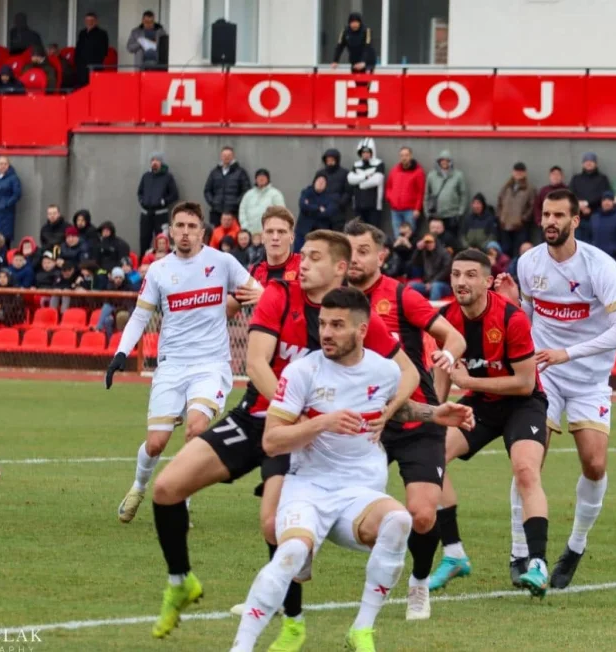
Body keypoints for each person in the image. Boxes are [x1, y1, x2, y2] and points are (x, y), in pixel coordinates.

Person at [145, 231, 437, 646]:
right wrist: (297, 414)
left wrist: (387, 412)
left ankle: (293, 623)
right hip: (261, 417)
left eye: (314, 258)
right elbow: (256, 363)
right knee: (166, 488)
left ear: (339, 268)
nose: (302, 264)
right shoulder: (280, 295)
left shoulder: (351, 315)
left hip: (302, 435)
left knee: (272, 525)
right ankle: (180, 581)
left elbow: (406, 372)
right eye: (303, 256)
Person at [228, 287, 473, 652]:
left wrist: (434, 413)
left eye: (338, 325)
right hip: (307, 488)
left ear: (362, 330)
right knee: (291, 552)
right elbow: (272, 441)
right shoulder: (301, 372)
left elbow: (395, 409)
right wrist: (321, 423)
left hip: (360, 493)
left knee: (399, 520)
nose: (326, 333)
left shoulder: (385, 370)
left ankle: (361, 630)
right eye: (323, 324)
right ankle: (242, 646)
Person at [467, 189, 616, 590]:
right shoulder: (528, 263)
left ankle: (575, 546)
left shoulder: (600, 266)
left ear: (575, 220)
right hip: (545, 377)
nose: (550, 222)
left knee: (594, 464)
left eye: (559, 215)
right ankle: (519, 552)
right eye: (546, 215)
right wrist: (510, 304)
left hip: (589, 380)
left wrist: (567, 353)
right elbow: (525, 319)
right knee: (528, 461)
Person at [105, 202, 263, 525]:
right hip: (172, 365)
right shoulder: (159, 270)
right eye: (180, 226)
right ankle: (139, 486)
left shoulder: (222, 262)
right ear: (171, 231)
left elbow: (258, 292)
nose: (186, 232)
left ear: (202, 231)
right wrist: (121, 353)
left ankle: (181, 502)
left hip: (211, 365)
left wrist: (248, 298)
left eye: (192, 226)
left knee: (196, 428)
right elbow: (140, 316)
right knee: (156, 443)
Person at [343, 221, 466, 620]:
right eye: (349, 251)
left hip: (417, 420)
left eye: (363, 251)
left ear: (381, 256)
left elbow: (453, 336)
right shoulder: (336, 303)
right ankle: (283, 587)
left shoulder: (401, 296)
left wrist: (448, 355)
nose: (354, 259)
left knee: (424, 515)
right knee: (324, 505)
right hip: (364, 425)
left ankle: (418, 583)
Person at [428, 248, 554, 599]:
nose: (461, 282)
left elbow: (525, 383)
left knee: (526, 471)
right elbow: (443, 372)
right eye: (456, 274)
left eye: (470, 275)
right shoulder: (446, 319)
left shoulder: (511, 318)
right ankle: (454, 553)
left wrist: (469, 383)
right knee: (430, 456)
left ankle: (537, 564)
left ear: (487, 281)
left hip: (523, 404)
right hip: (482, 404)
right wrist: (434, 414)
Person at [137, 152, 179, 255]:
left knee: (162, 241)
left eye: (157, 160)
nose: (154, 162)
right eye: (152, 160)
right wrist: (142, 201)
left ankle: (162, 261)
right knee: (144, 240)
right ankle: (143, 261)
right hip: (146, 215)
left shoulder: (167, 177)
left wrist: (163, 201)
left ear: (161, 162)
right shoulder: (146, 176)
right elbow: (140, 192)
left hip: (160, 215)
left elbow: (174, 195)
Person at [590, 191, 616, 289]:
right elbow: (590, 235)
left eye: (609, 200)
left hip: (615, 257)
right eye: (604, 200)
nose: (607, 202)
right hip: (597, 258)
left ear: (613, 202)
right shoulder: (594, 218)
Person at [249, 207, 301, 285]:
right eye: (270, 232)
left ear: (292, 238)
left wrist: (263, 293)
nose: (275, 237)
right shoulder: (254, 271)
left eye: (281, 232)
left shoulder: (303, 267)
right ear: (262, 237)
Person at [204, 147, 251, 227]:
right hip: (216, 213)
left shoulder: (240, 172)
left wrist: (235, 204)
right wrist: (213, 202)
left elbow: (246, 191)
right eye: (224, 155)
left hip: (234, 212)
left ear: (233, 156)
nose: (226, 157)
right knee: (216, 234)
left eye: (229, 155)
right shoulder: (215, 172)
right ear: (221, 156)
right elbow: (207, 190)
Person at [385, 146, 426, 236]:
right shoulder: (394, 170)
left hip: (410, 211)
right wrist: (390, 199)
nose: (404, 158)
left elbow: (421, 192)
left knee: (409, 235)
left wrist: (417, 209)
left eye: (406, 155)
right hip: (395, 210)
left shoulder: (418, 172)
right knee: (397, 235)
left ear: (411, 156)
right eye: (402, 155)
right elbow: (389, 187)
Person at [497, 162, 535, 255]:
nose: (518, 173)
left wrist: (523, 219)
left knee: (520, 253)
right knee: (506, 252)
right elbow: (499, 203)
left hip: (520, 227)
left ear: (525, 173)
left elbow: (532, 206)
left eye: (521, 171)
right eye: (516, 171)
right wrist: (500, 217)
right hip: (505, 225)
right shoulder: (506, 187)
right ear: (513, 172)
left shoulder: (530, 189)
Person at [425, 151, 468, 234]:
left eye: (447, 160)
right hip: (436, 216)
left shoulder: (458, 175)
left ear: (450, 162)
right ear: (438, 161)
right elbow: (427, 195)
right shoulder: (431, 176)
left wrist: (460, 213)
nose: (444, 162)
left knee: (450, 238)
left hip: (452, 215)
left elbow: (463, 195)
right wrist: (427, 213)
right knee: (436, 238)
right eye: (442, 160)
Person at [297, 173, 340, 252]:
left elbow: (328, 213)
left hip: (320, 233)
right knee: (299, 254)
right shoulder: (306, 192)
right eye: (319, 181)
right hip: (303, 231)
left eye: (323, 182)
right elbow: (303, 206)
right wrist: (318, 208)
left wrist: (310, 207)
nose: (320, 183)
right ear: (314, 182)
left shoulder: (330, 197)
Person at [347, 138, 385, 227]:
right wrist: (365, 177)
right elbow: (350, 179)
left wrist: (359, 182)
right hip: (358, 205)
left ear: (372, 152)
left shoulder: (379, 164)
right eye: (363, 152)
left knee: (373, 230)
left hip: (374, 206)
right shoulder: (356, 164)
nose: (365, 154)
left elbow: (377, 180)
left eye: (368, 152)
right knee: (358, 230)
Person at [238, 168, 284, 236]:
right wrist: (245, 227)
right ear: (256, 179)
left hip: (268, 233)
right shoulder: (248, 194)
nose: (261, 179)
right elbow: (242, 211)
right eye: (259, 177)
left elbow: (281, 213)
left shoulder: (275, 194)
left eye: (263, 177)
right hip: (250, 232)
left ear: (268, 179)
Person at [409, 234, 451, 300]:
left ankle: (432, 306)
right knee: (410, 285)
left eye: (431, 242)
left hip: (443, 285)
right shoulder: (424, 252)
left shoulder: (444, 253)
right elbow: (414, 263)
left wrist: (432, 282)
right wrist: (418, 250)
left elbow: (446, 271)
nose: (429, 244)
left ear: (435, 242)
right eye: (427, 242)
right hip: (427, 284)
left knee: (435, 286)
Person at [568, 152, 611, 217]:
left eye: (591, 161)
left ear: (596, 164)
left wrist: (587, 204)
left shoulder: (603, 179)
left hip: (598, 214)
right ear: (583, 164)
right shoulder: (576, 179)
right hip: (577, 213)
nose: (589, 163)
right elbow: (570, 194)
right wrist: (580, 205)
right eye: (586, 161)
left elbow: (604, 195)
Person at [315, 148, 350, 226]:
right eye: (328, 160)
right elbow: (315, 189)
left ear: (337, 160)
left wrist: (341, 204)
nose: (330, 162)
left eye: (332, 160)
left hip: (338, 211)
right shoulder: (320, 173)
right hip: (323, 210)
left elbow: (348, 191)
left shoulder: (344, 173)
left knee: (337, 231)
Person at [74, 11, 109, 87]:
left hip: (94, 65)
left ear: (96, 21)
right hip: (81, 66)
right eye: (87, 20)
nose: (89, 22)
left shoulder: (102, 33)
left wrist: (96, 63)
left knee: (93, 86)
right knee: (81, 87)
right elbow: (78, 48)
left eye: (91, 20)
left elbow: (104, 51)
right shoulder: (82, 33)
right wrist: (77, 62)